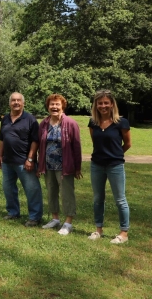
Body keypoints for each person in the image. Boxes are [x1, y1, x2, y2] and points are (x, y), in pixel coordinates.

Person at [88, 89, 132, 244]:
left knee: (120, 199)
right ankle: (98, 230)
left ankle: (123, 233)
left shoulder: (121, 122)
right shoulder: (93, 122)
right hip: (96, 165)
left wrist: (115, 154)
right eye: (100, 103)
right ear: (96, 105)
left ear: (112, 104)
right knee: (98, 198)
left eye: (106, 102)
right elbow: (96, 142)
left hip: (115, 166)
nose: (103, 106)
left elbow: (127, 144)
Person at [37, 94, 82, 235]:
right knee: (51, 192)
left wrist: (77, 167)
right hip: (48, 165)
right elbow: (40, 145)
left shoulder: (70, 123)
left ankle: (68, 222)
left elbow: (77, 146)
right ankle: (55, 219)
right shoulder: (44, 123)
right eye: (52, 104)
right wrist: (40, 165)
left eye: (57, 104)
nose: (54, 107)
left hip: (65, 166)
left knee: (66, 194)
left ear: (62, 106)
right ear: (48, 106)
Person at [0, 92, 43, 227]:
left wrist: (30, 158)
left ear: (23, 103)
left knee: (32, 189)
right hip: (7, 161)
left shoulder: (30, 119)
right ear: (10, 103)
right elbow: (2, 139)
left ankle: (35, 217)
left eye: (18, 100)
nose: (16, 102)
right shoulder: (5, 119)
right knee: (8, 188)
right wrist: (0, 156)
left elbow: (35, 141)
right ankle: (13, 212)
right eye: (13, 100)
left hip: (24, 161)